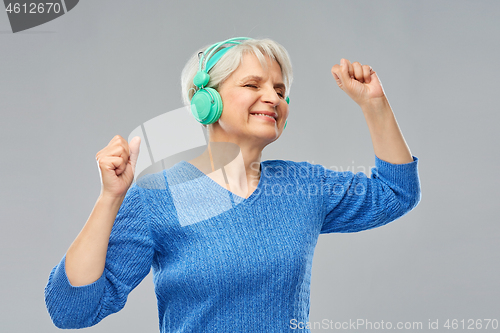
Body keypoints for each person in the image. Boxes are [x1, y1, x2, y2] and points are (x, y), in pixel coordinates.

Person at [44, 37, 421, 332]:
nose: (272, 97)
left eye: (279, 88)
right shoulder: (158, 199)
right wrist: (110, 199)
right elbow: (72, 310)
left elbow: (396, 193)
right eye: (252, 84)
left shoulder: (302, 185)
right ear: (205, 101)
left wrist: (376, 106)